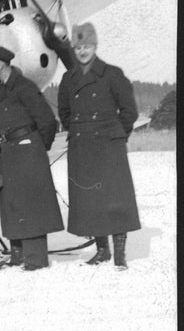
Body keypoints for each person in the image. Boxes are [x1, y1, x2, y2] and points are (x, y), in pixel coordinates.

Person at [57, 23, 140, 269]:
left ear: (95, 46)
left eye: (87, 46)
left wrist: (116, 137)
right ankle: (102, 250)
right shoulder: (68, 78)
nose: (83, 51)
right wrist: (80, 131)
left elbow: (129, 111)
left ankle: (120, 255)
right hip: (82, 147)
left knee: (115, 200)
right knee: (91, 200)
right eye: (79, 47)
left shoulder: (112, 74)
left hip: (108, 147)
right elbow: (64, 112)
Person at [0, 45, 63, 270]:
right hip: (9, 152)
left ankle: (35, 259)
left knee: (32, 205)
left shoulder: (24, 86)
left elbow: (47, 121)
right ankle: (17, 254)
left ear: (0, 63)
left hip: (28, 150)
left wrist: (35, 148)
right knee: (12, 203)